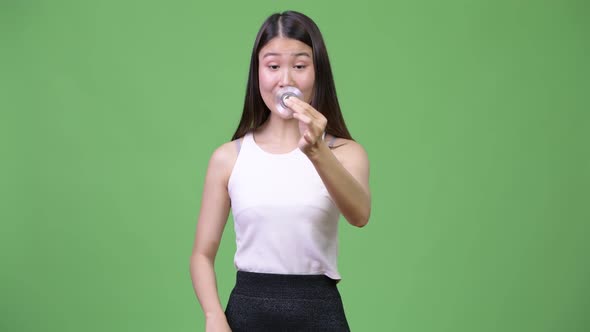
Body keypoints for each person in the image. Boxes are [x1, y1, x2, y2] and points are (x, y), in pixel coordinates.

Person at [190, 10, 371, 331]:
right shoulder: (229, 158)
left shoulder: (345, 153)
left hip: (319, 314)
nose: (285, 79)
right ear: (257, 73)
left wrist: (317, 151)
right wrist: (213, 316)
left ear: (318, 74)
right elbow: (202, 255)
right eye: (273, 66)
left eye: (300, 66)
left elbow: (359, 215)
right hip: (246, 314)